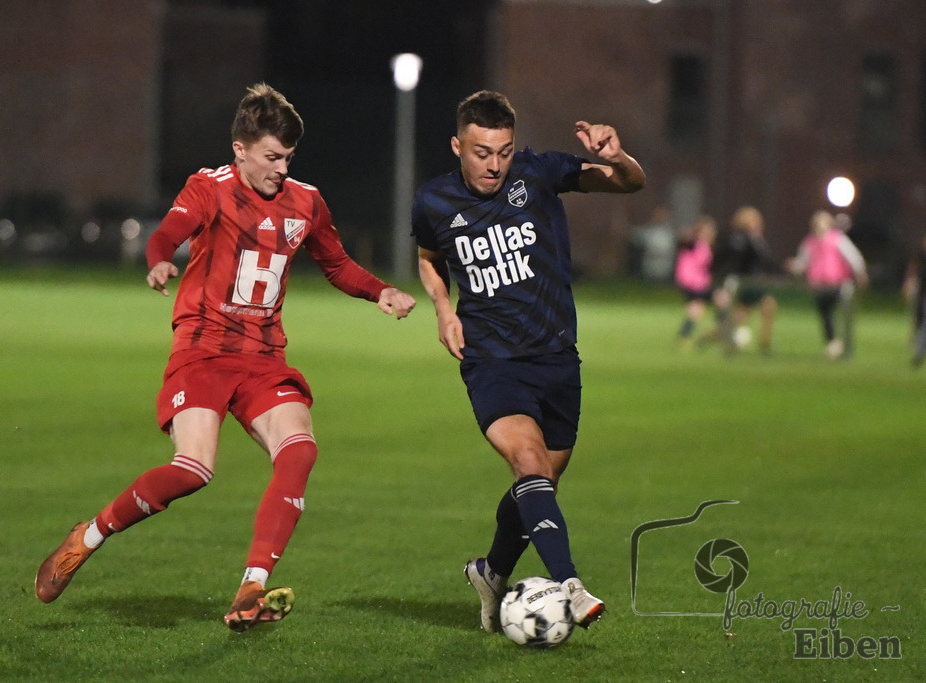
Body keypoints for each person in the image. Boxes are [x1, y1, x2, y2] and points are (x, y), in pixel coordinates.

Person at [35, 83, 417, 631]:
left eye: (288, 157)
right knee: (193, 470)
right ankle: (86, 537)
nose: (281, 168)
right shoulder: (208, 188)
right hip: (204, 350)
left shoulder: (306, 201)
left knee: (300, 451)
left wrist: (379, 290)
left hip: (264, 356)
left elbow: (336, 264)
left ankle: (252, 585)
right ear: (240, 149)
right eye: (271, 157)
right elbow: (168, 233)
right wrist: (159, 259)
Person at [412, 91, 645, 634]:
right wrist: (444, 309)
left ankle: (492, 573)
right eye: (481, 152)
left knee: (543, 481)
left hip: (558, 355)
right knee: (530, 465)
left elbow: (629, 183)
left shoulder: (538, 173)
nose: (494, 164)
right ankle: (570, 585)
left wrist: (617, 156)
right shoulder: (434, 201)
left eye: (503, 151)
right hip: (491, 360)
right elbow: (428, 257)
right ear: (457, 146)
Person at [787, 210, 868, 359]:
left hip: (837, 283)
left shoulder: (837, 239)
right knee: (825, 314)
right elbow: (803, 261)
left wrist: (859, 272)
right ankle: (833, 342)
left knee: (839, 312)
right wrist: (794, 267)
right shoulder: (810, 242)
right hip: (818, 285)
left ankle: (841, 342)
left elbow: (853, 257)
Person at [711, 206, 781, 354]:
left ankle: (764, 343)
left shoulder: (755, 239)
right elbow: (728, 263)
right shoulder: (739, 240)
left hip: (753, 283)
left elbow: (767, 261)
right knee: (756, 311)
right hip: (744, 284)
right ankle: (763, 345)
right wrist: (719, 288)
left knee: (760, 310)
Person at [673, 215, 717, 348]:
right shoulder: (692, 244)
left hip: (701, 282)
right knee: (696, 309)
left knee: (698, 309)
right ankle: (684, 337)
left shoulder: (706, 246)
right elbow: (681, 239)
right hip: (691, 282)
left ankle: (717, 331)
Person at [902, 235, 926, 367]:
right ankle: (919, 352)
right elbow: (914, 269)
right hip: (923, 295)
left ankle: (919, 352)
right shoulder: (921, 257)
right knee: (921, 324)